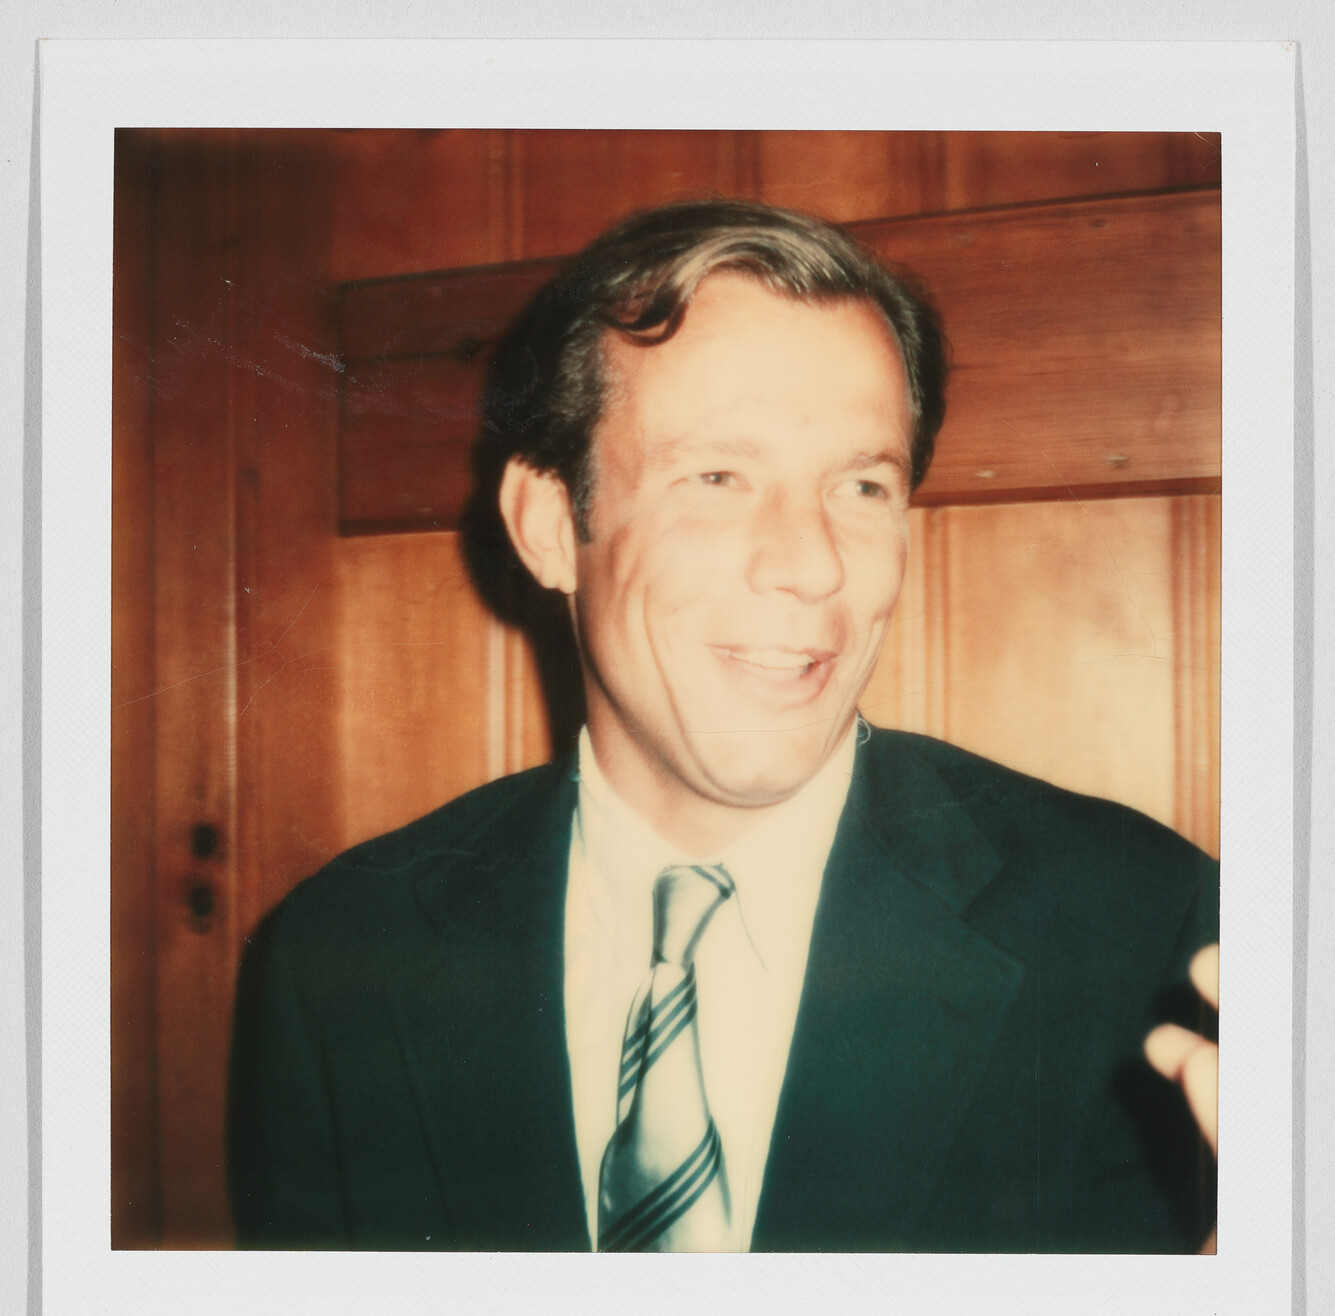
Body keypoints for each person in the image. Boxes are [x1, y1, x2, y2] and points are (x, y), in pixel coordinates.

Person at [228, 199, 1219, 1254]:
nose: (813, 564)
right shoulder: (337, 962)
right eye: (717, 477)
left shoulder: (1147, 935)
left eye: (863, 483)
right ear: (550, 528)